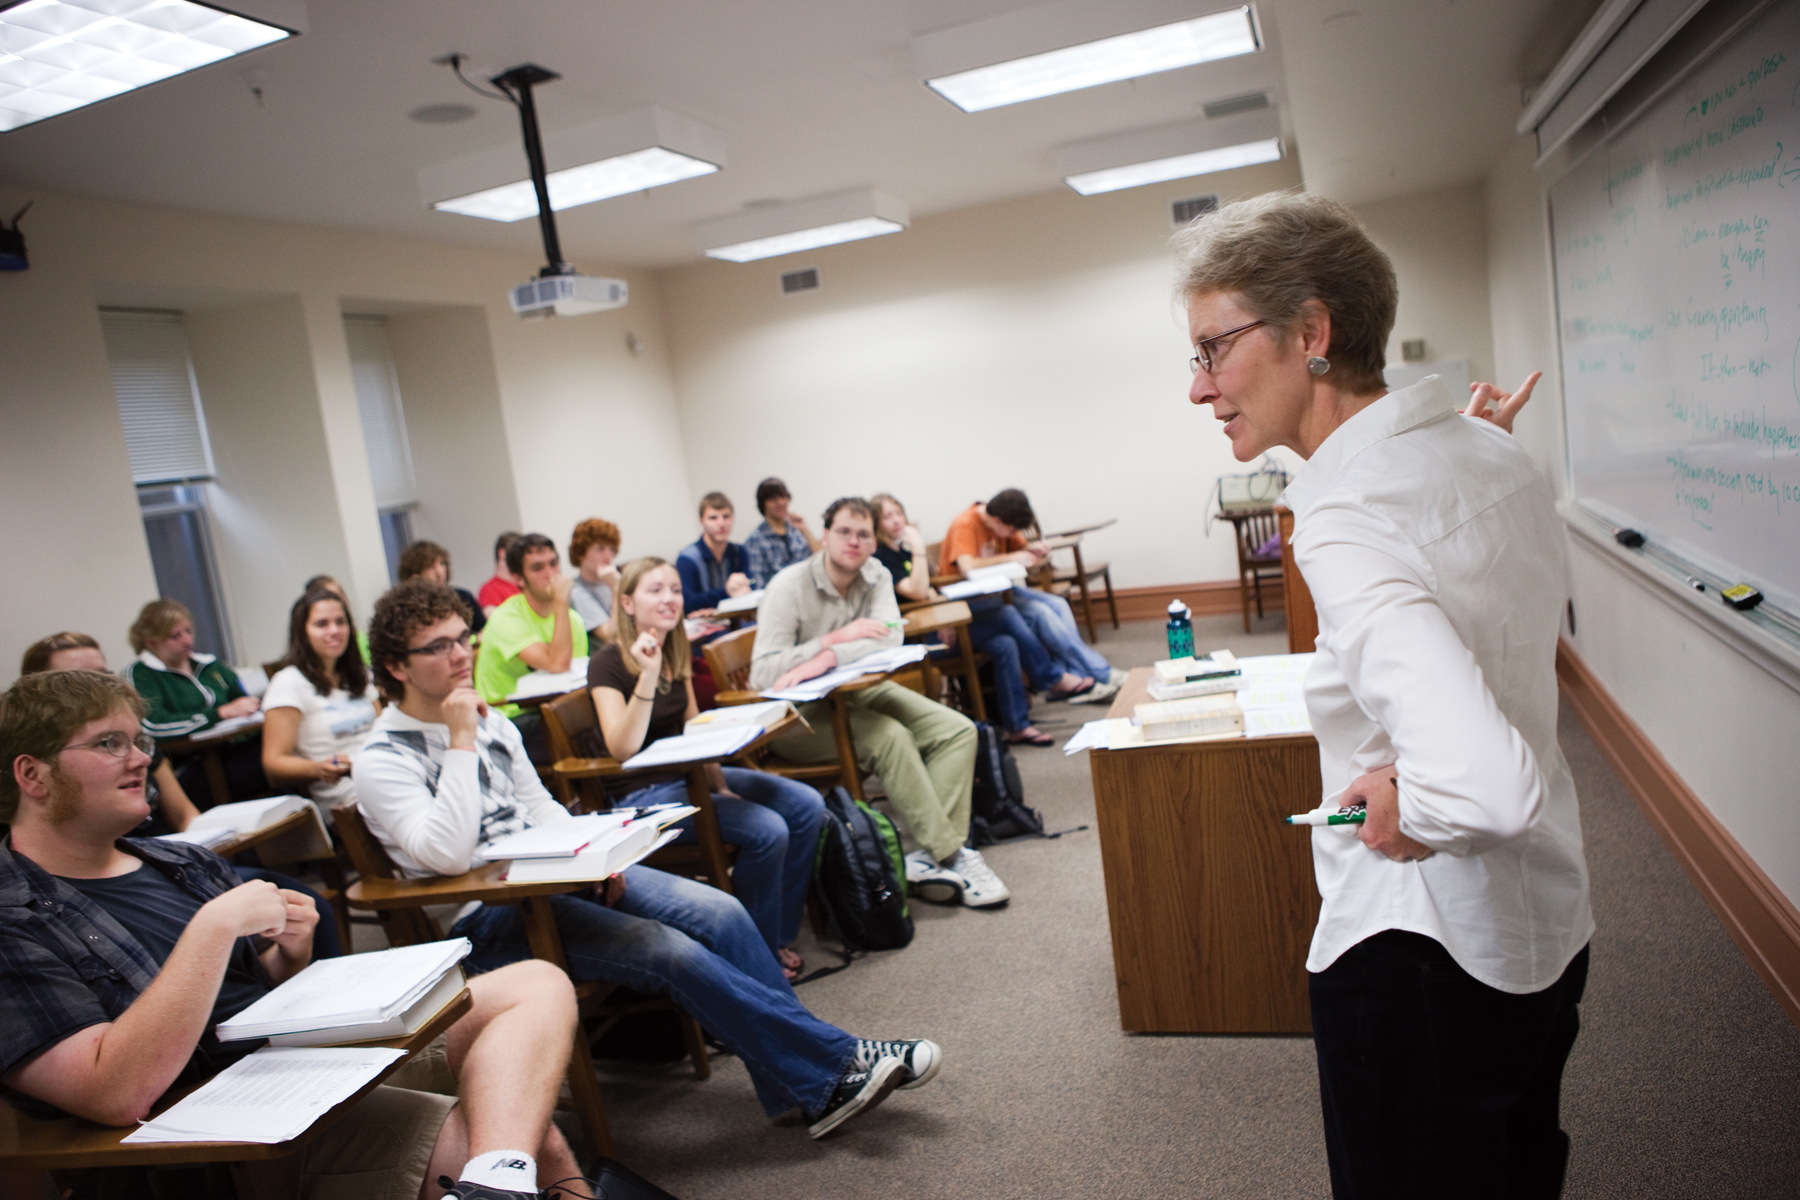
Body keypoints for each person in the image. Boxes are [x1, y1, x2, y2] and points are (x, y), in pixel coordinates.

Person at [1174, 190, 1588, 1199]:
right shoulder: (1480, 447)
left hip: (1419, 950)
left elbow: (1477, 792)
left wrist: (1388, 810)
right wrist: (1374, 792)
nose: (1199, 389)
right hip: (1540, 923)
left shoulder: (1349, 514)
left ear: (1311, 332)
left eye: (1212, 350)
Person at [354, 580, 943, 1139]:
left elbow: (542, 809)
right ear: (398, 667)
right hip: (487, 917)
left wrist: (594, 861)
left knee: (723, 912)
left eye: (464, 638)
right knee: (670, 951)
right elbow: (446, 854)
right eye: (439, 646)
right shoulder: (382, 757)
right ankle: (833, 1066)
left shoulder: (488, 724)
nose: (461, 654)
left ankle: (816, 1077)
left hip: (551, 877)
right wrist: (459, 739)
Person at [0, 669, 589, 1200]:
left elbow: (255, 997)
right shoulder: (12, 916)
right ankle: (496, 1174)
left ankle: (494, 1179)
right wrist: (211, 930)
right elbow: (112, 1091)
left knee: (533, 987)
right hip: (223, 1131)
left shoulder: (176, 862)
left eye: (140, 742)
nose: (139, 760)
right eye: (109, 744)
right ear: (33, 775)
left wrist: (290, 954)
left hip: (296, 1064)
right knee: (533, 1140)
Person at [750, 498, 1009, 907]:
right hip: (795, 717)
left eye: (863, 534)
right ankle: (952, 853)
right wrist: (833, 639)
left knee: (956, 730)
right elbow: (763, 674)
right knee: (890, 736)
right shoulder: (788, 586)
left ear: (875, 542)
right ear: (824, 536)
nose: (853, 542)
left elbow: (889, 634)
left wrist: (832, 657)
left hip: (855, 688)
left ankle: (929, 853)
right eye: (844, 532)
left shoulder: (877, 573)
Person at [589, 556, 826, 978]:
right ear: (627, 603)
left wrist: (722, 788)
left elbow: (695, 732)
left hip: (690, 777)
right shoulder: (607, 662)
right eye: (655, 590)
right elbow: (621, 748)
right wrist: (646, 675)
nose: (669, 599)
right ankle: (754, 954)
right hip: (640, 797)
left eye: (675, 590)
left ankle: (774, 933)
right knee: (767, 829)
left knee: (806, 805)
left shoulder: (674, 647)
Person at [871, 494, 1066, 747]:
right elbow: (919, 592)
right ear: (876, 522)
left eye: (899, 513)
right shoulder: (883, 556)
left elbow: (930, 591)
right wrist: (919, 546)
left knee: (1005, 643)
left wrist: (945, 617)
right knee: (1006, 615)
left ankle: (1018, 726)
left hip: (937, 624)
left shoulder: (902, 550)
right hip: (917, 640)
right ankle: (1049, 678)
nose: (897, 520)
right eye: (888, 516)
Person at [940, 489, 1122, 705]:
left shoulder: (1000, 521)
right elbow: (967, 566)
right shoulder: (965, 524)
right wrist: (1010, 558)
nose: (1011, 533)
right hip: (971, 600)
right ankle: (1101, 673)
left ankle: (1075, 676)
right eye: (1011, 529)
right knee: (1041, 613)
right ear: (998, 520)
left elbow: (1023, 550)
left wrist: (1035, 551)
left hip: (1001, 592)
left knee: (1058, 604)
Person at [20, 632, 200, 836]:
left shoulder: (135, 740)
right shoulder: (45, 759)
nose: (97, 689)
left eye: (102, 676)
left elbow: (184, 814)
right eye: (76, 680)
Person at [122, 598, 268, 804]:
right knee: (275, 763)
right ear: (151, 642)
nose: (187, 640)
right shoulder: (141, 675)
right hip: (194, 766)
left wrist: (251, 707)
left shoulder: (209, 664)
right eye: (175, 636)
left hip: (238, 749)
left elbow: (242, 699)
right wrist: (218, 714)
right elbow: (153, 726)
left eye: (189, 631)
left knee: (283, 747)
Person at [261, 586, 380, 812]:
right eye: (322, 624)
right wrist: (318, 768)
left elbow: (385, 728)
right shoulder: (289, 683)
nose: (334, 630)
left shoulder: (358, 675)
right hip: (347, 799)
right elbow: (273, 764)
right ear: (303, 632)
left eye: (341, 622)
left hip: (382, 773)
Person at [473, 533, 587, 762]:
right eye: (538, 568)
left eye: (554, 564)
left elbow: (575, 678)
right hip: (509, 716)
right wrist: (561, 601)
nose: (551, 575)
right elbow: (558, 664)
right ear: (519, 579)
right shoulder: (506, 617)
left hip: (551, 708)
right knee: (584, 734)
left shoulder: (572, 620)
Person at [675, 492, 753, 615]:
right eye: (713, 518)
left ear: (733, 518)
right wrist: (726, 592)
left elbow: (751, 585)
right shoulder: (687, 558)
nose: (721, 523)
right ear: (701, 521)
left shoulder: (738, 552)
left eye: (726, 516)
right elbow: (686, 603)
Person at [399, 540, 487, 635]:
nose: (440, 572)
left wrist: (471, 641)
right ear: (415, 572)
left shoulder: (463, 597)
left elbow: (485, 631)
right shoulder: (406, 608)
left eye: (442, 564)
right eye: (430, 566)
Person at [744, 476, 820, 588]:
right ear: (763, 503)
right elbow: (758, 584)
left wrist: (805, 530)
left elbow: (821, 559)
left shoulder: (796, 531)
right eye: (773, 499)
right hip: (779, 598)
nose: (780, 502)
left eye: (783, 497)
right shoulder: (756, 540)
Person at [567, 518, 622, 640]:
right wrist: (616, 589)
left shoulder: (614, 580)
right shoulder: (576, 592)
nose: (608, 557)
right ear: (581, 553)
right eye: (600, 549)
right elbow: (610, 636)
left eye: (612, 549)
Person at [476, 532, 524, 615]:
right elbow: (496, 622)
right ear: (502, 553)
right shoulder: (489, 590)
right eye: (519, 554)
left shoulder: (525, 586)